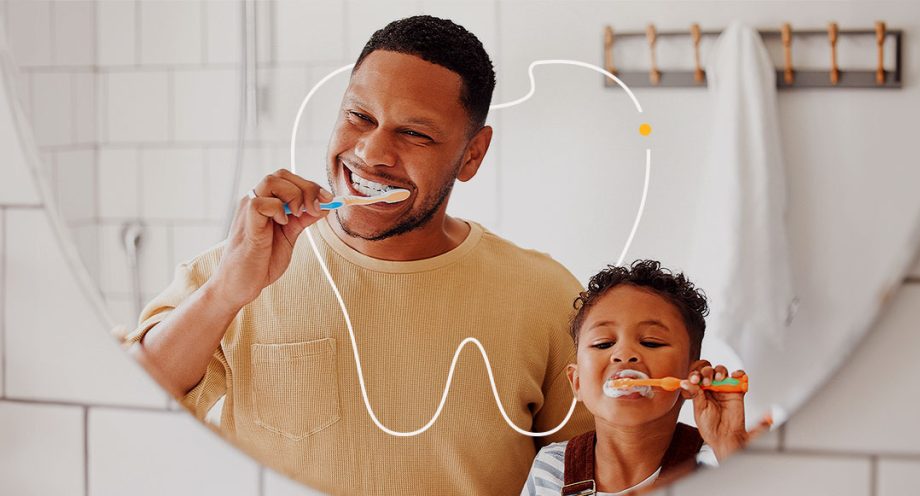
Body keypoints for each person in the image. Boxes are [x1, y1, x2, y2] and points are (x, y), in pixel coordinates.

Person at [124, 15, 592, 495]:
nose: (372, 153)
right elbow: (126, 406)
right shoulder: (237, 269)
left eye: (415, 134)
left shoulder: (545, 296)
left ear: (472, 154)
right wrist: (225, 293)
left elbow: (596, 467)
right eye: (360, 117)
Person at [522, 260, 770, 495]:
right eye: (603, 343)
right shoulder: (551, 470)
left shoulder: (717, 464)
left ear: (691, 377)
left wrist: (730, 449)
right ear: (577, 383)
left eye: (651, 342)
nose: (624, 354)